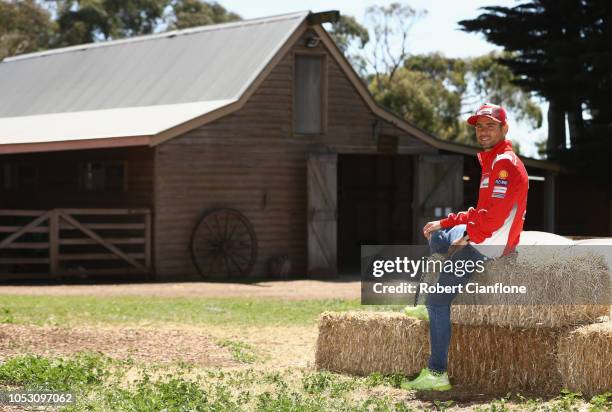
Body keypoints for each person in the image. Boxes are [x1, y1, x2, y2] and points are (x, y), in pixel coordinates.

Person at [403, 103, 529, 391]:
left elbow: (492, 220)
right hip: (483, 233)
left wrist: (467, 237)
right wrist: (448, 223)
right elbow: (483, 210)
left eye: (490, 126)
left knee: (438, 301)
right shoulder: (491, 160)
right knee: (436, 234)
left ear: (504, 128)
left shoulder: (504, 165)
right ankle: (428, 302)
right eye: (479, 126)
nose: (483, 131)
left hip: (488, 245)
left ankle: (437, 374)